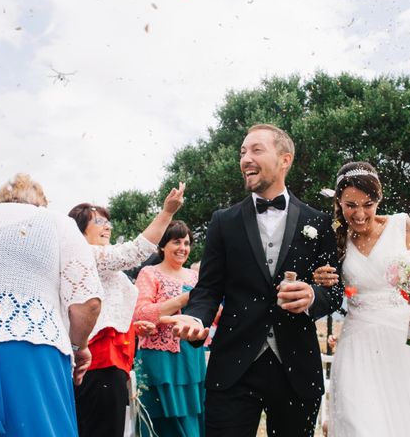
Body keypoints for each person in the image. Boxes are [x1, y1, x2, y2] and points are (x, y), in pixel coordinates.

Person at [164, 124, 344, 437]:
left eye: (256, 150)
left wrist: (314, 296)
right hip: (233, 366)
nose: (246, 158)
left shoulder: (318, 222)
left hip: (296, 368)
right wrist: (196, 317)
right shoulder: (224, 221)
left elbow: (334, 290)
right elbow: (208, 288)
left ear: (285, 160)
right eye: (243, 152)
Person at [311, 161, 410, 436]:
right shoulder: (334, 236)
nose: (359, 214)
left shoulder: (400, 225)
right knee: (360, 421)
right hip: (358, 340)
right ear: (339, 202)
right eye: (350, 205)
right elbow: (329, 287)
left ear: (379, 199)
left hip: (404, 337)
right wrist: (319, 278)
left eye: (368, 204)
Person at [0, 173, 103, 436]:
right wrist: (79, 346)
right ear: (40, 202)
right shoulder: (55, 223)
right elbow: (88, 303)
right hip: (31, 351)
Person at [68, 183, 185, 437]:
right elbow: (135, 251)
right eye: (99, 221)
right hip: (98, 361)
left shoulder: (103, 263)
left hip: (115, 361)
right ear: (79, 229)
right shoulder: (85, 255)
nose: (107, 226)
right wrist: (166, 213)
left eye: (108, 221)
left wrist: (133, 327)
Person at [133, 221, 206, 437]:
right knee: (161, 421)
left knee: (192, 417)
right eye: (176, 242)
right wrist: (183, 299)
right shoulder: (149, 273)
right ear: (163, 245)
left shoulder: (195, 277)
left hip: (191, 356)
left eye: (187, 243)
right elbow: (141, 313)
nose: (183, 247)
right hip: (158, 358)